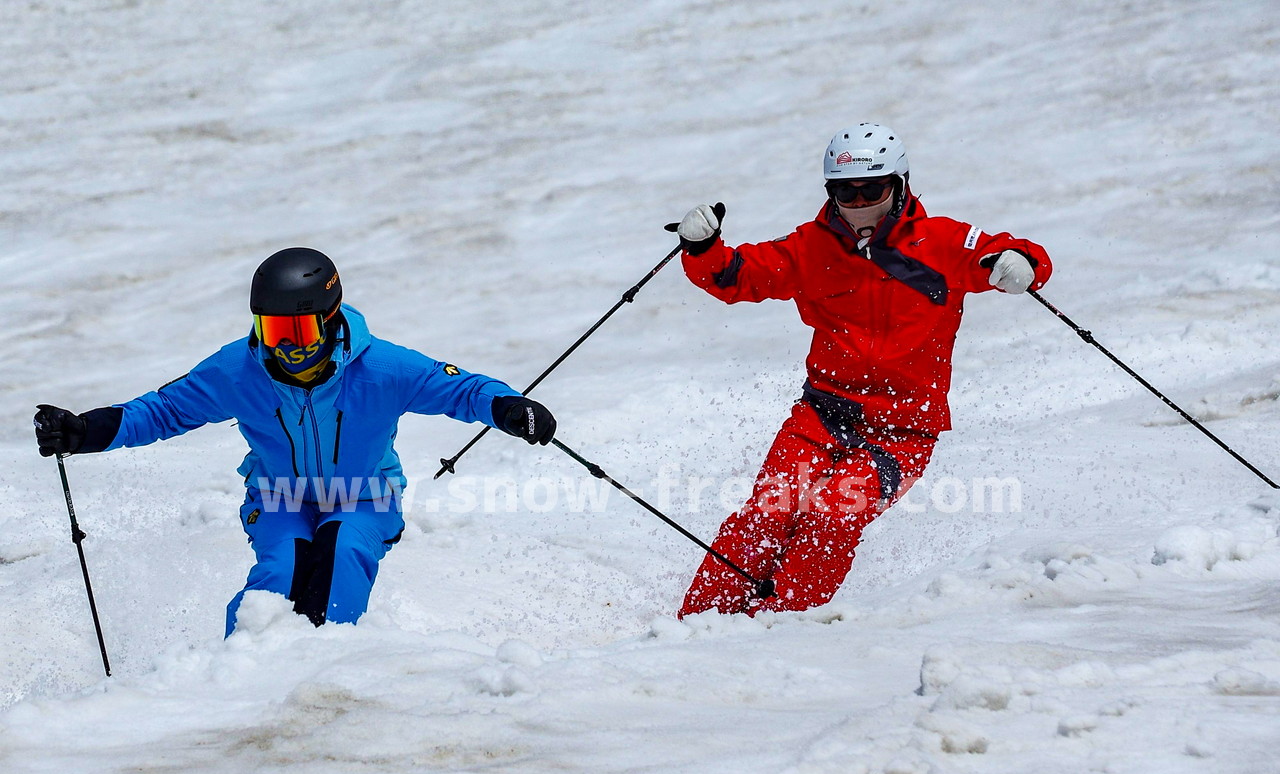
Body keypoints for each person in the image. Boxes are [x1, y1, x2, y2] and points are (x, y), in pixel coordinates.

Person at [34, 247, 556, 635]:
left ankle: (324, 676)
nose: (285, 347)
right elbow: (165, 409)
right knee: (281, 573)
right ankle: (237, 674)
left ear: (329, 322)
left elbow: (459, 389)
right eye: (271, 330)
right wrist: (86, 432)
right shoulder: (239, 370)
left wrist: (510, 409)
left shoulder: (382, 368)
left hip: (364, 496)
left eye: (299, 332)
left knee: (341, 553)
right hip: (278, 499)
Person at [669, 124, 1052, 618]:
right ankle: (696, 628)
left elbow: (1015, 254)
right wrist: (702, 249)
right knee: (767, 514)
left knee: (832, 514)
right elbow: (734, 276)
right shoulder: (810, 247)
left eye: (872, 188)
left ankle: (781, 627)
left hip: (903, 430)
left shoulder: (943, 242)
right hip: (821, 417)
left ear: (901, 184)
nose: (858, 201)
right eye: (844, 190)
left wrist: (1022, 263)